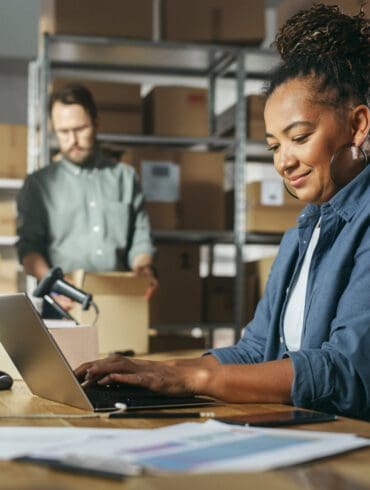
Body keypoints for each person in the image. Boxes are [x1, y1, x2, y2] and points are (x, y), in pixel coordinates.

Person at [75, 4, 370, 420]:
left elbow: (345, 371)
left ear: (358, 125)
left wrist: (196, 381)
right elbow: (256, 350)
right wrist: (159, 371)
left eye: (299, 137)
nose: (283, 161)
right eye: (273, 146)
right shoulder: (302, 234)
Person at [16, 84, 157, 302]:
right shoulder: (38, 185)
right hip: (64, 301)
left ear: (96, 124)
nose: (72, 140)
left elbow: (140, 239)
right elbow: (29, 249)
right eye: (64, 132)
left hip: (119, 298)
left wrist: (143, 267)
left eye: (80, 129)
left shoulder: (125, 178)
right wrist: (55, 284)